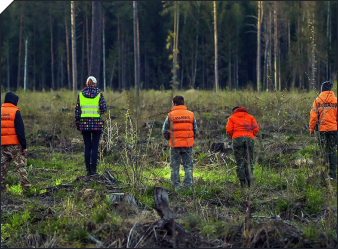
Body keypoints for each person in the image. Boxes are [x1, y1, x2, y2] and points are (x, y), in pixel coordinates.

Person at [162, 95, 199, 191]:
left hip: (175, 145)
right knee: (188, 166)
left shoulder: (170, 115)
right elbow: (196, 130)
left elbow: (164, 130)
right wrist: (191, 139)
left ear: (174, 103)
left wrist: (169, 139)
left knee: (174, 167)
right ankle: (188, 187)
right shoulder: (191, 115)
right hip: (188, 145)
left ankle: (176, 188)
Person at [75, 76, 107, 176]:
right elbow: (103, 109)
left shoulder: (80, 95)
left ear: (86, 83)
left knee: (87, 147)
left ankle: (87, 170)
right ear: (95, 84)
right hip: (96, 125)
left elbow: (77, 112)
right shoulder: (99, 94)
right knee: (95, 147)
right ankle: (93, 170)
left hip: (84, 125)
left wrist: (77, 123)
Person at [1, 92, 31, 193]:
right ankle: (26, 189)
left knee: (2, 167)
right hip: (15, 145)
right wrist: (24, 146)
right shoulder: (15, 112)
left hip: (2, 145)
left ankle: (1, 188)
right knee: (20, 166)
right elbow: (20, 131)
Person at [309, 81, 337, 180]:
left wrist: (311, 129)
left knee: (324, 151)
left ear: (322, 89)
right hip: (334, 129)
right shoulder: (336, 100)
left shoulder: (317, 100)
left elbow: (313, 117)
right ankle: (333, 175)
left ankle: (324, 175)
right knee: (333, 151)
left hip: (322, 130)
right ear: (330, 89)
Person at [226, 106, 259, 188]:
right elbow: (256, 128)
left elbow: (229, 130)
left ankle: (242, 184)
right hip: (249, 139)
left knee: (240, 162)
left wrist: (235, 136)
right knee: (249, 161)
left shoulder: (232, 118)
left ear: (234, 111)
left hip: (237, 139)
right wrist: (251, 135)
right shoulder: (250, 117)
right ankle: (250, 184)